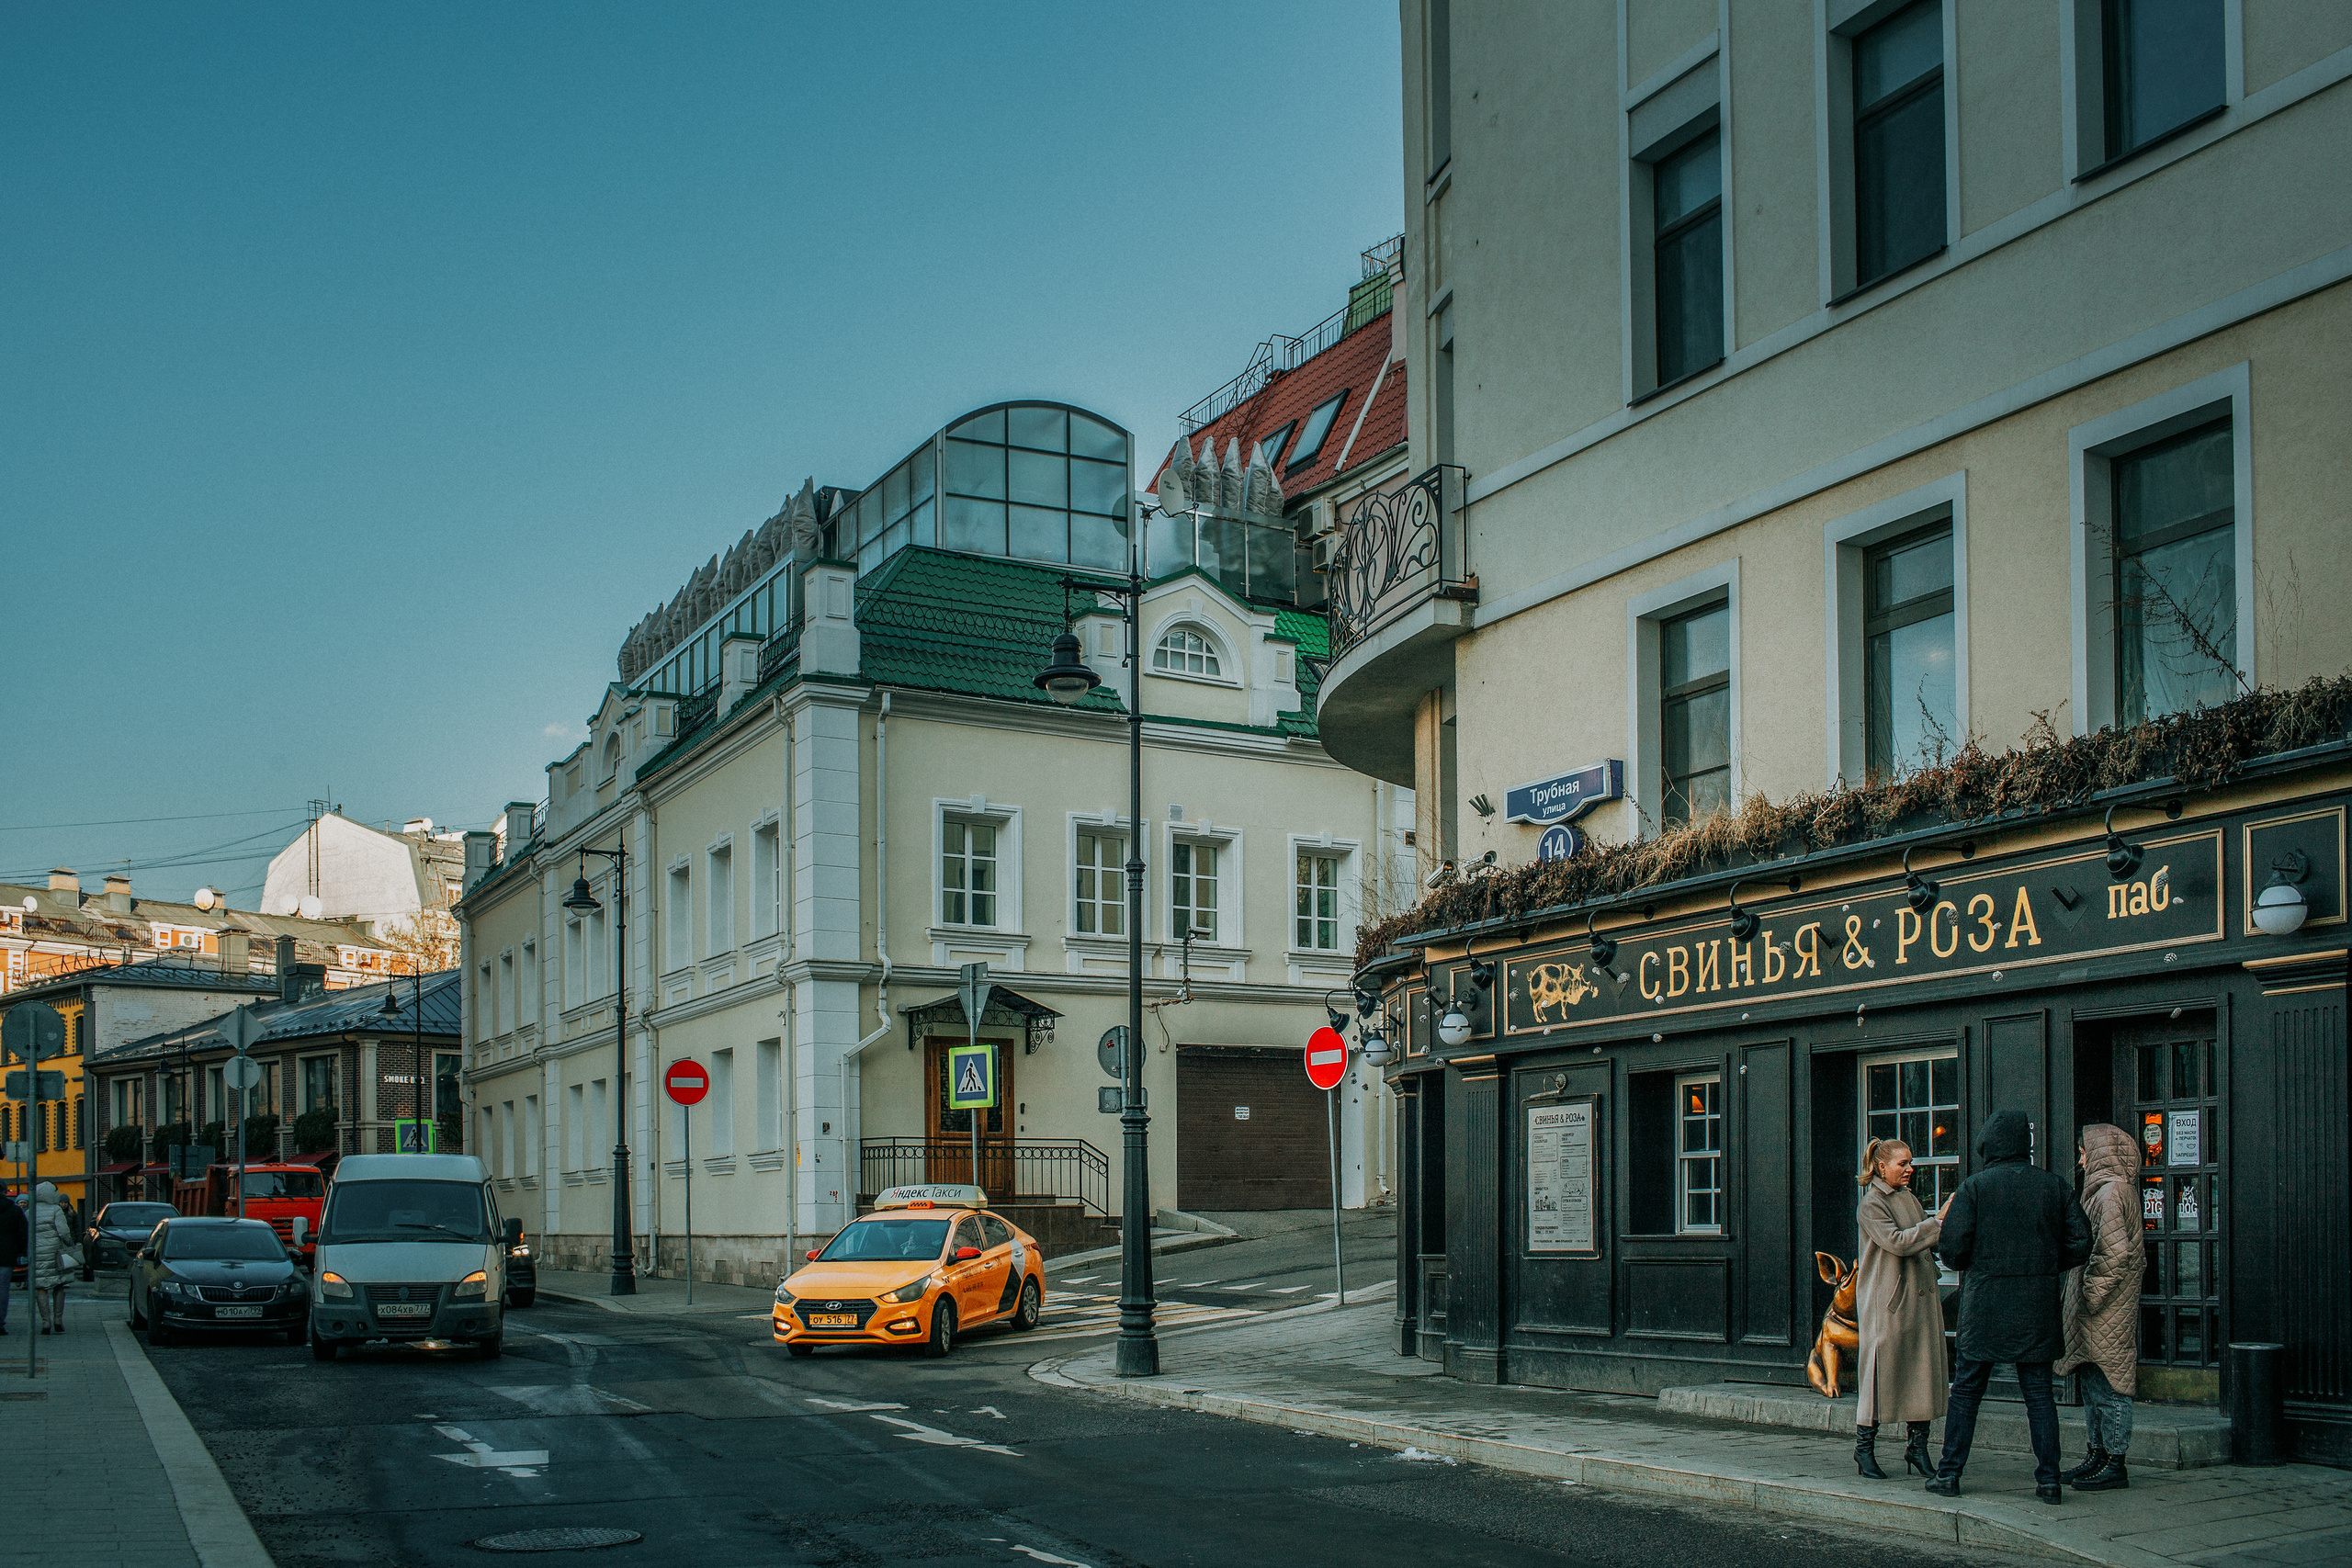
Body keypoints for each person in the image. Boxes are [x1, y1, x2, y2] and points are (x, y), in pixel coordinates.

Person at [1928, 1109, 2091, 1503]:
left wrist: (1980, 1264)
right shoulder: (2054, 1186)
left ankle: (1949, 1474)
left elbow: (1951, 1250)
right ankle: (2048, 1481)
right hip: (2036, 1305)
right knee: (2039, 1395)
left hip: (1984, 1303)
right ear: (2024, 1145)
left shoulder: (1974, 1188)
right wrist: (2045, 1266)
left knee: (1966, 1392)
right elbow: (2080, 1243)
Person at [1851, 1137, 1951, 1479]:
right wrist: (1936, 1222)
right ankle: (1863, 1450)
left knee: (1920, 1373)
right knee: (1879, 1375)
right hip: (1887, 1303)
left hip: (1918, 1297)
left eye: (1910, 1162)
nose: (1910, 1169)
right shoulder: (1871, 1204)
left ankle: (1917, 1449)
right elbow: (1895, 1242)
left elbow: (1923, 1238)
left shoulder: (1906, 1197)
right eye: (1902, 1163)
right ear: (1882, 1167)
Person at [2056, 1123, 2145, 1492]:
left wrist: (2090, 1294)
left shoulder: (2110, 1193)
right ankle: (2097, 1454)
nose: (2080, 1158)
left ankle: (2114, 1462)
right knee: (2095, 1382)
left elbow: (2114, 1252)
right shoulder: (2105, 1192)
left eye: (2083, 1151)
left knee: (2111, 1384)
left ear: (2100, 1152)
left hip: (2106, 1307)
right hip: (2103, 1306)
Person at [28, 1182, 75, 1335]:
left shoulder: (30, 1211)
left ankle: (45, 1322)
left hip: (37, 1254)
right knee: (59, 1285)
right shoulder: (56, 1210)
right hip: (55, 1253)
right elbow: (64, 1232)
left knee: (41, 1287)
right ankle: (58, 1320)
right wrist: (71, 1244)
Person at [0, 1190, 25, 1336]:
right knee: (3, 1290)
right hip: (6, 1257)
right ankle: (0, 1322)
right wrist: (17, 1251)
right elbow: (23, 1233)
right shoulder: (14, 1210)